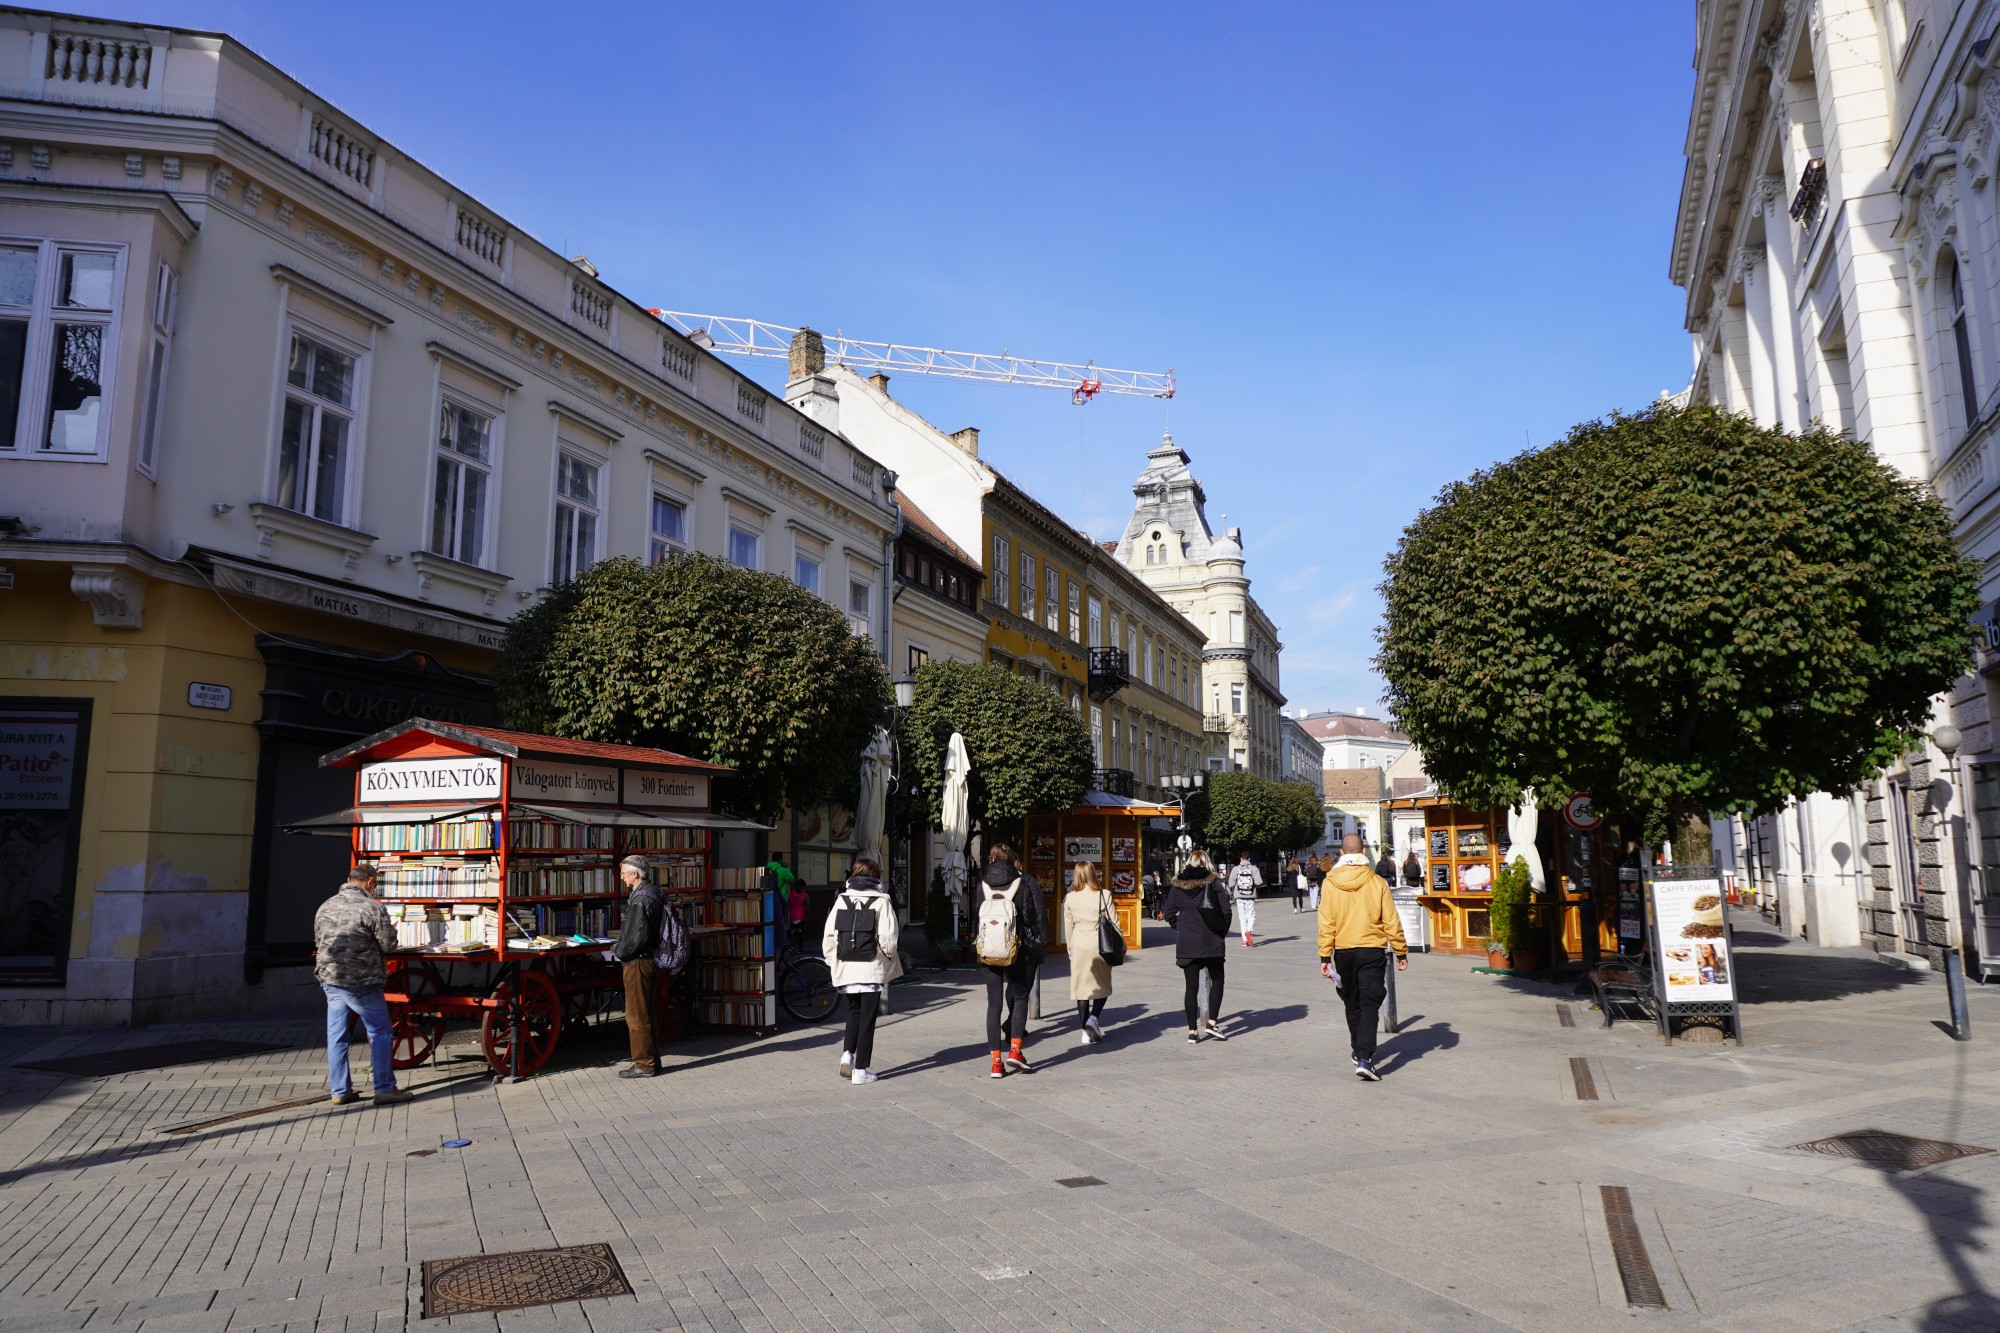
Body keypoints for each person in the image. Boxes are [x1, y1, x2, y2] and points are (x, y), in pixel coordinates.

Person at [312, 862, 412, 1106]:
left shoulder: (325, 905)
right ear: (370, 882)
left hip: (330, 978)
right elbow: (388, 945)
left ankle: (339, 1090)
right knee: (380, 1031)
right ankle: (384, 1088)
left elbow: (318, 940)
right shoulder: (372, 908)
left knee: (337, 1034)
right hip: (362, 980)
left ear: (348, 879)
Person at [1317, 833, 1410, 1081]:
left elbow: (1326, 923)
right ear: (1363, 853)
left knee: (1352, 1001)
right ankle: (1365, 1056)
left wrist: (1325, 956)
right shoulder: (1377, 881)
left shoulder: (1330, 882)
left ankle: (1358, 1049)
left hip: (1344, 951)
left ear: (1342, 854)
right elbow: (1391, 919)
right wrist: (1400, 950)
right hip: (1372, 949)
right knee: (1370, 1002)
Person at [824, 855, 900, 1084]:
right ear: (875, 877)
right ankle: (861, 1071)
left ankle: (847, 1054)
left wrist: (832, 960)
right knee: (868, 1019)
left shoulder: (841, 899)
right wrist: (888, 956)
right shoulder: (881, 901)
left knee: (853, 1013)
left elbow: (829, 936)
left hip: (847, 967)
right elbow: (889, 938)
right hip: (871, 967)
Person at [977, 842, 1047, 1076]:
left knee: (993, 1005)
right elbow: (1036, 916)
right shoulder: (1025, 881)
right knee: (1020, 998)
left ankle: (996, 1063)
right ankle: (1015, 1051)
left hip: (988, 951)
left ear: (991, 859)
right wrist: (1042, 941)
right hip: (1018, 949)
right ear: (1011, 860)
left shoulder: (983, 885)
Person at [1163, 852, 1230, 1042]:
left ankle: (1192, 1032)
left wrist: (1181, 927)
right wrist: (1221, 932)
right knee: (1217, 980)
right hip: (1211, 940)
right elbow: (1226, 910)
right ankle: (1212, 1023)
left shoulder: (1177, 886)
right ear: (1207, 863)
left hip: (1188, 941)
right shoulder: (1214, 883)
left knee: (1191, 987)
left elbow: (1168, 913)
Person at [611, 854, 665, 1078]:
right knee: (646, 1012)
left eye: (624, 873)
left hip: (637, 962)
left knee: (635, 1015)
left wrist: (617, 950)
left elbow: (635, 937)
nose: (622, 877)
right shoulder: (653, 891)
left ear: (635, 874)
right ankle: (652, 1060)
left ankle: (644, 1064)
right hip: (648, 959)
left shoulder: (641, 899)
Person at [1062, 863, 1114, 1045]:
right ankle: (1094, 1018)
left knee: (1081, 990)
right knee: (1102, 984)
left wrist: (1069, 947)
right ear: (1093, 874)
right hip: (1100, 944)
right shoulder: (1103, 894)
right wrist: (1121, 943)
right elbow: (1113, 922)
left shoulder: (1069, 898)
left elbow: (1068, 927)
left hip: (1078, 944)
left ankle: (1085, 1031)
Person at [1226, 851, 1263, 946]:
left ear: (1240, 859)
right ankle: (1249, 931)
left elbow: (1230, 884)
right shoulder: (1254, 869)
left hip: (1239, 896)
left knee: (1242, 919)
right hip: (1250, 896)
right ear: (1249, 859)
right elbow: (1259, 882)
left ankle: (1245, 941)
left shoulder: (1235, 869)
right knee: (1251, 916)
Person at [766, 852, 796, 954]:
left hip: (767, 899)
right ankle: (781, 944)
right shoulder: (782, 870)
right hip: (780, 899)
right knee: (781, 922)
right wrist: (787, 867)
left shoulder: (767, 868)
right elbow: (791, 879)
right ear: (781, 859)